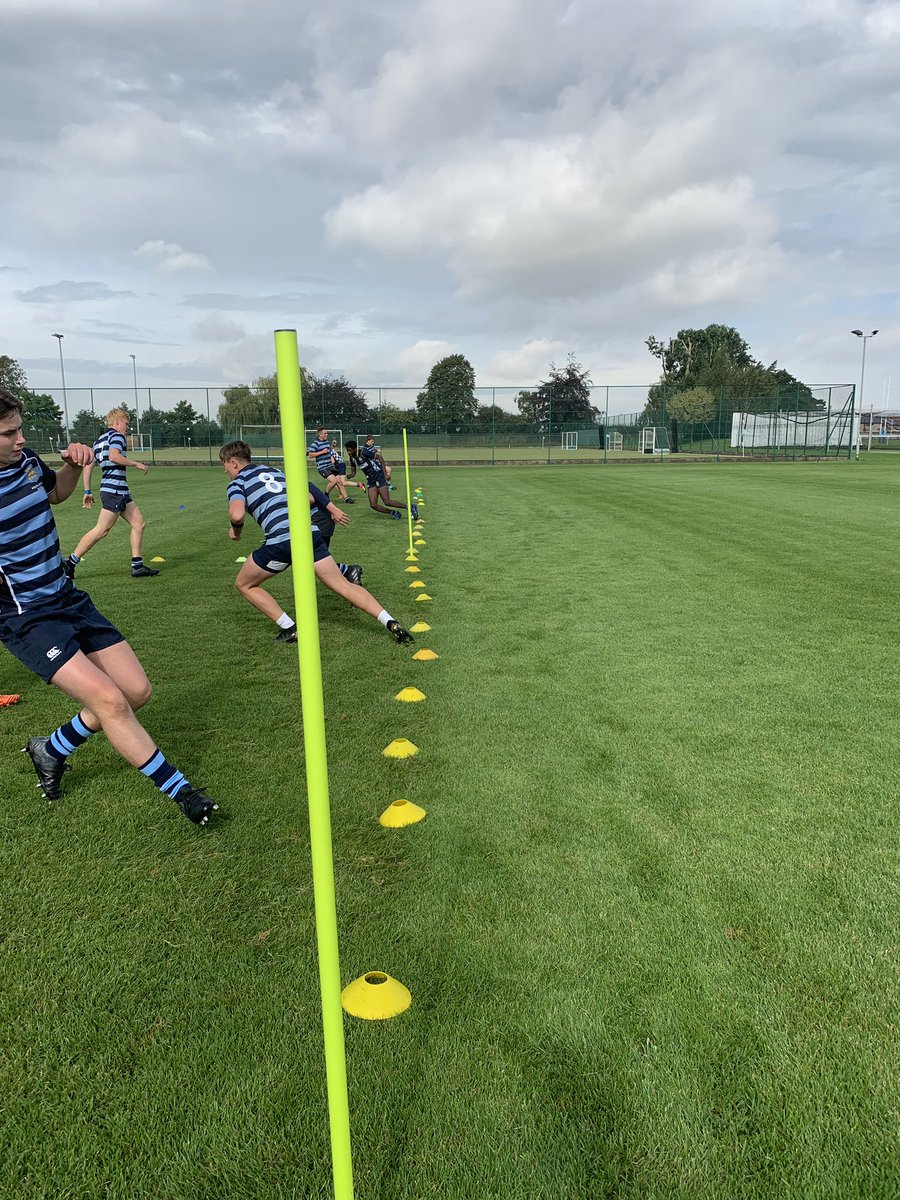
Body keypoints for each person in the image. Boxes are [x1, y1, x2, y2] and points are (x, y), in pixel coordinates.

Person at [0, 387, 218, 825]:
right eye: (9, 434)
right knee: (109, 699)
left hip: (67, 596)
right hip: (27, 617)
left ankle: (52, 748)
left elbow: (56, 495)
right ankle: (183, 793)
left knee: (136, 692)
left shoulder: (23, 463)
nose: (21, 439)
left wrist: (69, 466)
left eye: (19, 429)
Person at [220, 440, 413, 645]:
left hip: (281, 541)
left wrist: (236, 531)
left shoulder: (237, 483)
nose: (226, 472)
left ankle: (291, 628)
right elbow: (310, 498)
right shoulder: (276, 472)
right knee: (342, 585)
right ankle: (390, 622)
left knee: (245, 584)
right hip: (309, 533)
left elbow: (237, 514)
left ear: (233, 463)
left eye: (224, 466)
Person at [63, 407, 159, 579]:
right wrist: (137, 464)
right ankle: (70, 563)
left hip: (117, 490)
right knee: (102, 530)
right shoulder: (116, 436)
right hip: (114, 490)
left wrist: (87, 490)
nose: (127, 428)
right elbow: (114, 456)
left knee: (139, 523)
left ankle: (137, 566)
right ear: (116, 423)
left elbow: (88, 465)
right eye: (126, 424)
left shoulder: (99, 440)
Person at [345, 436, 412, 520]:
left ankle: (409, 507)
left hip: (378, 475)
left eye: (350, 450)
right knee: (373, 505)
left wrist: (385, 474)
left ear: (355, 449)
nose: (348, 452)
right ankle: (394, 513)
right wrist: (349, 476)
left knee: (387, 501)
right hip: (370, 479)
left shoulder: (364, 452)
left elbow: (380, 458)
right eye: (347, 450)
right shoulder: (352, 458)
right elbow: (353, 472)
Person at [307, 426, 354, 503]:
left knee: (339, 481)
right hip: (322, 467)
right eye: (325, 433)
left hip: (330, 465)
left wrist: (332, 447)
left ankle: (347, 499)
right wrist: (322, 452)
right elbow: (310, 454)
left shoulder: (326, 442)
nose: (327, 434)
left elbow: (328, 450)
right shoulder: (315, 443)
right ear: (320, 434)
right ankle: (325, 495)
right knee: (333, 481)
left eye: (327, 433)